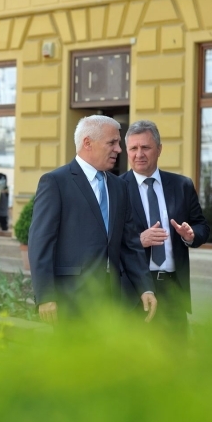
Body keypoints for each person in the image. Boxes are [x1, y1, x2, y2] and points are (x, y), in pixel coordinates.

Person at [29, 115, 157, 323]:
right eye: (112, 142)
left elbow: (130, 244)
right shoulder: (55, 182)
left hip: (112, 301)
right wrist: (45, 295)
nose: (119, 149)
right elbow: (40, 242)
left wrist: (145, 287)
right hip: (69, 301)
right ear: (87, 143)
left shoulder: (119, 187)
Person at [121, 120, 209, 335]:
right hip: (134, 290)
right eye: (133, 148)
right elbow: (106, 239)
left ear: (159, 149)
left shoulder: (182, 186)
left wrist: (190, 235)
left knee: (175, 359)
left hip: (172, 289)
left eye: (146, 147)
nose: (139, 154)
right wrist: (139, 240)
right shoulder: (116, 188)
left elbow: (202, 227)